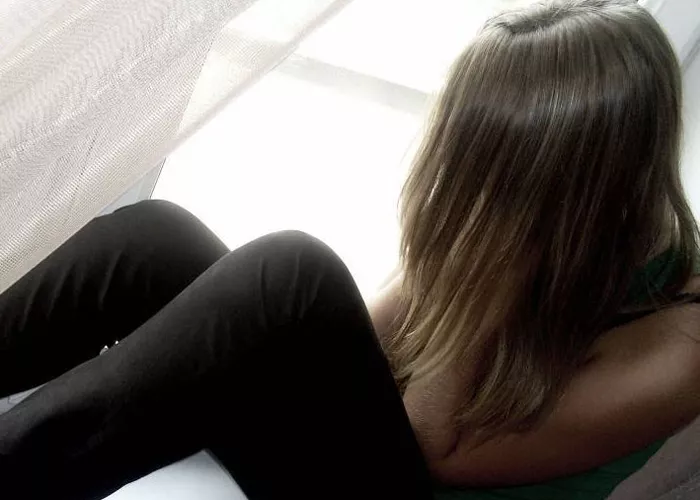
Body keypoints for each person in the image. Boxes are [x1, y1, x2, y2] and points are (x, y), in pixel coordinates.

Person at [2, 1, 700, 500]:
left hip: (418, 476)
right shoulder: (531, 230)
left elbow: (437, 451)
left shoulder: (681, 340)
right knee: (161, 239)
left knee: (292, 276)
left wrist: (488, 273)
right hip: (375, 456)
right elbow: (358, 346)